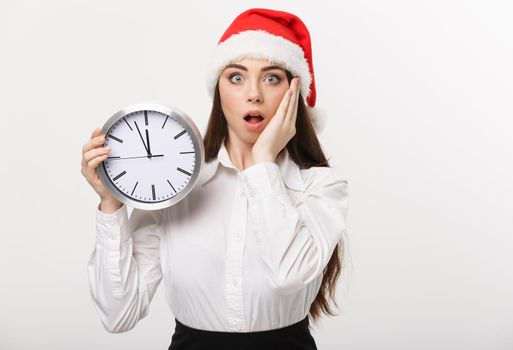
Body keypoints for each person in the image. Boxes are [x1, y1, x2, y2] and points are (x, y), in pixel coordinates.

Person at [81, 8, 349, 350]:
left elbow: (287, 276)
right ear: (219, 90)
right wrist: (111, 203)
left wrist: (262, 162)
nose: (254, 93)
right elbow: (118, 315)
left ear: (294, 92)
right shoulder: (176, 188)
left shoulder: (320, 186)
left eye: (271, 78)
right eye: (236, 77)